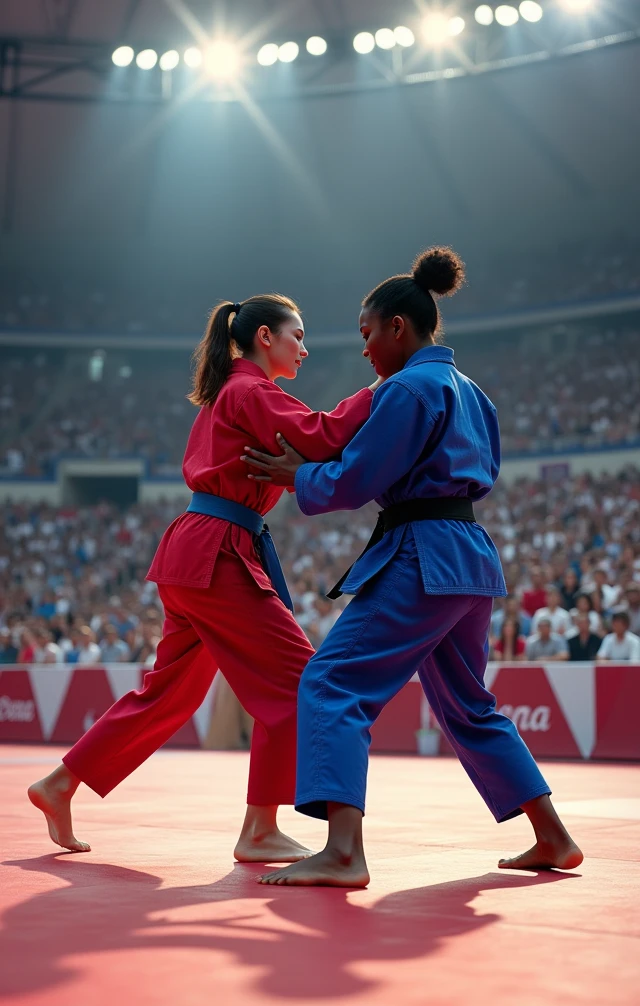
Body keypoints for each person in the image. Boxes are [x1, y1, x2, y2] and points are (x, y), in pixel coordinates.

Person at [243, 248, 582, 887]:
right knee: (469, 705)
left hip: (421, 552)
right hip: (471, 558)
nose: (365, 349)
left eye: (368, 333)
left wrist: (299, 475)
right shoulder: (474, 393)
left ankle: (344, 851)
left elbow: (359, 476)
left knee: (331, 682)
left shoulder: (407, 388)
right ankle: (554, 837)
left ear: (399, 326)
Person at [28, 293, 379, 857]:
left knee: (167, 695)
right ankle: (260, 828)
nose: (305, 349)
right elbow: (321, 436)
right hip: (220, 554)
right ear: (265, 337)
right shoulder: (250, 391)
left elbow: (293, 457)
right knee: (300, 681)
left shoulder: (228, 395)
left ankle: (61, 783)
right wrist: (377, 394)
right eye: (297, 336)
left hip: (197, 551)